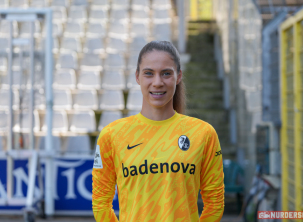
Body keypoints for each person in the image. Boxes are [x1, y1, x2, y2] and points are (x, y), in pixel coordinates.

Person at [92, 41, 224, 222]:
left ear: (178, 77)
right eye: (149, 73)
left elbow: (215, 202)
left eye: (166, 74)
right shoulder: (112, 135)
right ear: (138, 77)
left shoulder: (203, 133)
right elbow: (100, 202)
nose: (157, 82)